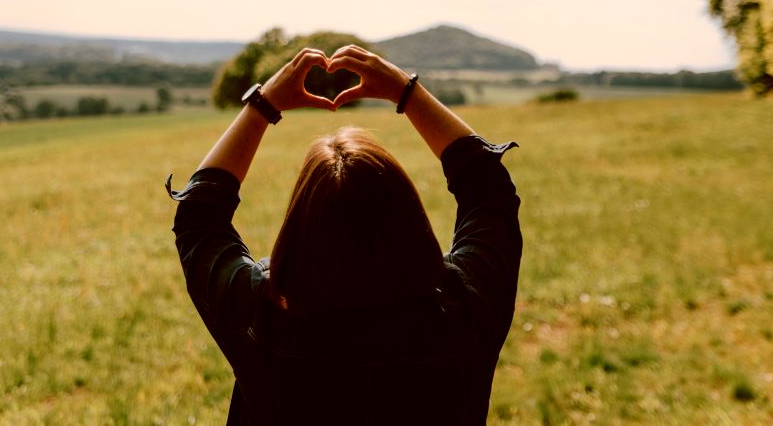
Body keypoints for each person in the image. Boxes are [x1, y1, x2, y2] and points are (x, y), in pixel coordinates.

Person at [167, 45, 522, 425]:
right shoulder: (464, 311)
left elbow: (199, 218)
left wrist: (263, 104)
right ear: (410, 221)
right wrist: (406, 91)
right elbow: (488, 193)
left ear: (298, 232)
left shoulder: (262, 317)